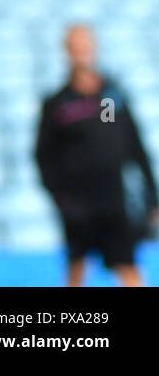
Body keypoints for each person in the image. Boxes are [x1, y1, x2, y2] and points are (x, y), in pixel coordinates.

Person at [36, 24, 158, 286]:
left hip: (113, 201)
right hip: (77, 206)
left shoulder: (108, 99)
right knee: (78, 269)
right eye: (75, 46)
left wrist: (151, 195)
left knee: (127, 266)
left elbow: (128, 145)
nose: (81, 52)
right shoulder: (59, 105)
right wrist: (61, 198)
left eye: (85, 45)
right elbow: (44, 158)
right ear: (66, 51)